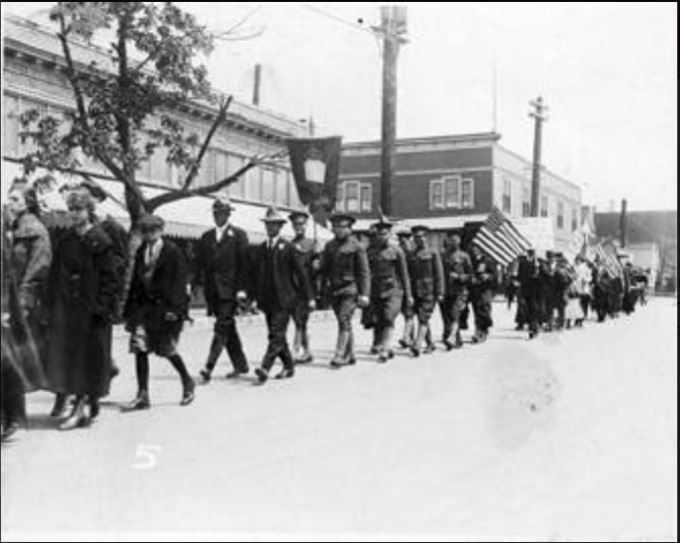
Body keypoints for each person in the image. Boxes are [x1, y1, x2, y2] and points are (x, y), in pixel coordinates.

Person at [45, 187, 119, 430]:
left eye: (79, 209)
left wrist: (101, 308)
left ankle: (80, 409)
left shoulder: (100, 240)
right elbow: (55, 274)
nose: (75, 214)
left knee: (88, 360)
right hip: (68, 309)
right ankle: (88, 402)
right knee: (73, 360)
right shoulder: (66, 240)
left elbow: (110, 279)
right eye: (72, 210)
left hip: (92, 310)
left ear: (90, 210)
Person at [123, 214, 195, 410]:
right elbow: (136, 283)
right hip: (143, 310)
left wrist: (176, 311)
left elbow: (179, 284)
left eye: (153, 230)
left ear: (161, 230)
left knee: (167, 350)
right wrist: (128, 310)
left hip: (164, 310)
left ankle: (187, 381)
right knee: (140, 348)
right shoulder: (140, 252)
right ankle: (142, 394)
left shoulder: (173, 252)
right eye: (145, 230)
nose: (149, 234)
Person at [252, 207, 314, 384]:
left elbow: (301, 275)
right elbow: (258, 276)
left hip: (285, 299)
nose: (271, 228)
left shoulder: (288, 248)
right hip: (267, 299)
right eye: (268, 225)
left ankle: (265, 367)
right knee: (276, 336)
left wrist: (309, 297)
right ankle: (289, 365)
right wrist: (256, 298)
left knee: (276, 333)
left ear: (280, 227)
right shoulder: (262, 248)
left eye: (275, 225)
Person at [193, 195, 250, 382]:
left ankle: (208, 367)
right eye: (216, 213)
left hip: (230, 290)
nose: (219, 216)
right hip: (212, 291)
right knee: (228, 328)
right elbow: (199, 264)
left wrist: (242, 289)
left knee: (221, 327)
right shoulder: (206, 237)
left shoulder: (239, 235)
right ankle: (240, 365)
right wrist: (192, 284)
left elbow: (244, 265)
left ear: (228, 214)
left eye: (223, 213)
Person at [318, 212, 370, 368]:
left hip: (350, 289)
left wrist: (364, 294)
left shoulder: (357, 247)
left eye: (343, 227)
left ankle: (339, 355)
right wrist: (317, 263)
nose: (339, 230)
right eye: (336, 227)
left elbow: (364, 272)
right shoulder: (329, 246)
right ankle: (350, 354)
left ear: (350, 228)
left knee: (344, 318)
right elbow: (325, 268)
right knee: (344, 322)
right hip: (334, 289)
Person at [366, 218, 413, 363]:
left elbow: (404, 274)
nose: (382, 237)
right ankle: (385, 345)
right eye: (379, 234)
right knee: (379, 319)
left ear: (389, 235)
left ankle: (386, 349)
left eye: (385, 234)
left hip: (393, 289)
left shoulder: (397, 251)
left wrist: (409, 295)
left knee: (388, 316)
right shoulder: (370, 252)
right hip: (376, 289)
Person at [407, 225, 444, 356]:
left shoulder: (433, 253)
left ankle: (417, 345)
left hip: (430, 290)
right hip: (416, 290)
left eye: (422, 236)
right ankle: (430, 343)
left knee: (423, 316)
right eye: (417, 237)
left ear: (426, 238)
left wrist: (440, 292)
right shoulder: (411, 254)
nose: (420, 239)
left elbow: (439, 273)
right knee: (421, 317)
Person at [288, 210, 319, 365]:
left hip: (307, 289)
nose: (298, 227)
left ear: (306, 225)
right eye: (295, 224)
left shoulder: (312, 244)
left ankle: (295, 350)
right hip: (293, 289)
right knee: (300, 321)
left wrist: (318, 260)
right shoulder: (290, 245)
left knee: (301, 320)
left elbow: (317, 272)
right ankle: (307, 351)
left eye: (301, 224)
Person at [440, 232, 472, 349]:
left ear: (459, 241)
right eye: (451, 239)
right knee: (446, 316)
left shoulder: (464, 256)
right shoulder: (443, 256)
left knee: (455, 314)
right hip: (446, 291)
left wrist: (459, 277)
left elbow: (470, 275)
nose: (453, 242)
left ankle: (451, 337)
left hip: (460, 291)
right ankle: (455, 339)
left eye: (456, 239)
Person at [469, 244, 497, 343]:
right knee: (476, 310)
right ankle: (478, 331)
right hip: (475, 289)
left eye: (476, 249)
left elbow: (495, 275)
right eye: (473, 249)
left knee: (484, 308)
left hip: (485, 289)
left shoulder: (488, 261)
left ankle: (483, 330)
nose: (474, 250)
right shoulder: (471, 261)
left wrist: (488, 276)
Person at [395, 225, 416, 350]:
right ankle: (409, 337)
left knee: (410, 313)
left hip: (413, 286)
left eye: (405, 239)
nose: (403, 242)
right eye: (401, 240)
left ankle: (408, 337)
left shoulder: (413, 252)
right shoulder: (397, 252)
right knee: (407, 313)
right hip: (401, 286)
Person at [518, 247, 546, 339]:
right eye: (530, 253)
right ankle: (533, 328)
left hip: (539, 290)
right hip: (527, 290)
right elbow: (520, 276)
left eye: (533, 253)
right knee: (530, 310)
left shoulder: (540, 263)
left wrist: (539, 271)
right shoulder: (523, 263)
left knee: (537, 309)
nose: (531, 254)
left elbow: (546, 276)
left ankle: (535, 327)